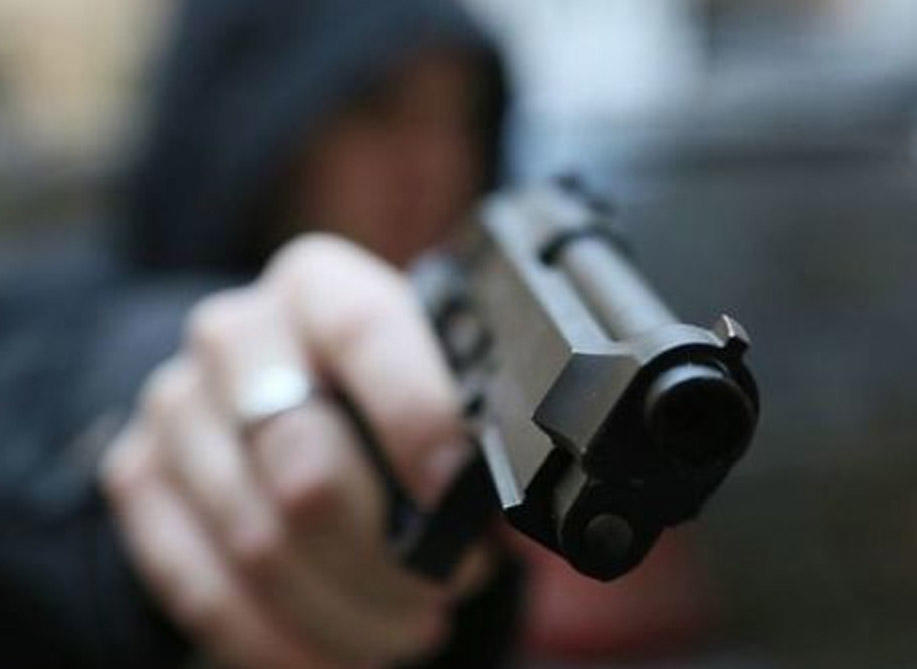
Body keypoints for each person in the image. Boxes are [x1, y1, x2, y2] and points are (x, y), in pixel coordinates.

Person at [0, 0, 711, 666]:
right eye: (377, 109)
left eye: (462, 117)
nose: (432, 164)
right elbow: (95, 374)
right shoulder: (60, 319)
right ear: (262, 117)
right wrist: (182, 407)